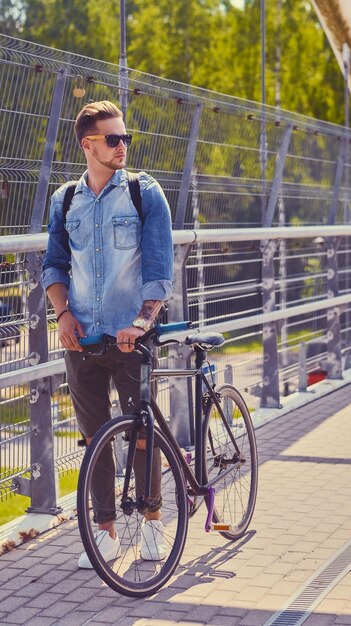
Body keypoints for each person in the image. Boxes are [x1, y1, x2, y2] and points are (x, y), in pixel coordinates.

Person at [41, 100, 173, 567]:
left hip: (132, 337)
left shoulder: (144, 193)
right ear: (88, 145)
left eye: (125, 138)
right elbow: (53, 264)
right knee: (94, 439)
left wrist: (142, 321)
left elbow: (159, 268)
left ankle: (154, 522)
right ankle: (106, 532)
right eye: (113, 139)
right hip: (83, 340)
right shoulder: (65, 200)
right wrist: (62, 314)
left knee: (142, 435)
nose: (123, 147)